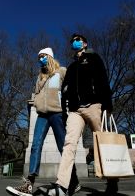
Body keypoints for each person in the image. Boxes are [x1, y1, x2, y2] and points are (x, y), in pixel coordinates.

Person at [45, 34, 118, 196]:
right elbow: (64, 90)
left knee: (103, 143)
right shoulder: (71, 67)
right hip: (75, 110)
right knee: (69, 144)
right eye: (72, 41)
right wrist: (65, 111)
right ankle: (62, 185)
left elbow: (103, 80)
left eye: (78, 39)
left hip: (94, 105)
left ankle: (112, 181)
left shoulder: (94, 58)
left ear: (84, 43)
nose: (75, 42)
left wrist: (107, 104)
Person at [6, 47, 80, 196]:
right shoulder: (40, 76)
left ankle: (73, 180)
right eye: (39, 57)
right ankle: (29, 183)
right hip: (42, 115)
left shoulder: (62, 71)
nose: (40, 59)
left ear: (50, 56)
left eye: (43, 56)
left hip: (57, 113)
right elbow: (38, 95)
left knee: (63, 148)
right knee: (36, 145)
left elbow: (72, 87)